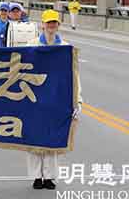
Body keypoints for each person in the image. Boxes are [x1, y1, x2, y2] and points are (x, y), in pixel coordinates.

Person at [26, 10, 82, 190]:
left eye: (54, 23)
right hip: (34, 98)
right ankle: (36, 176)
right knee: (35, 139)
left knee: (53, 138)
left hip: (57, 99)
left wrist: (77, 100)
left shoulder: (66, 48)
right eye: (48, 23)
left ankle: (50, 177)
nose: (51, 26)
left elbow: (74, 77)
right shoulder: (31, 45)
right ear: (42, 24)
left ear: (58, 25)